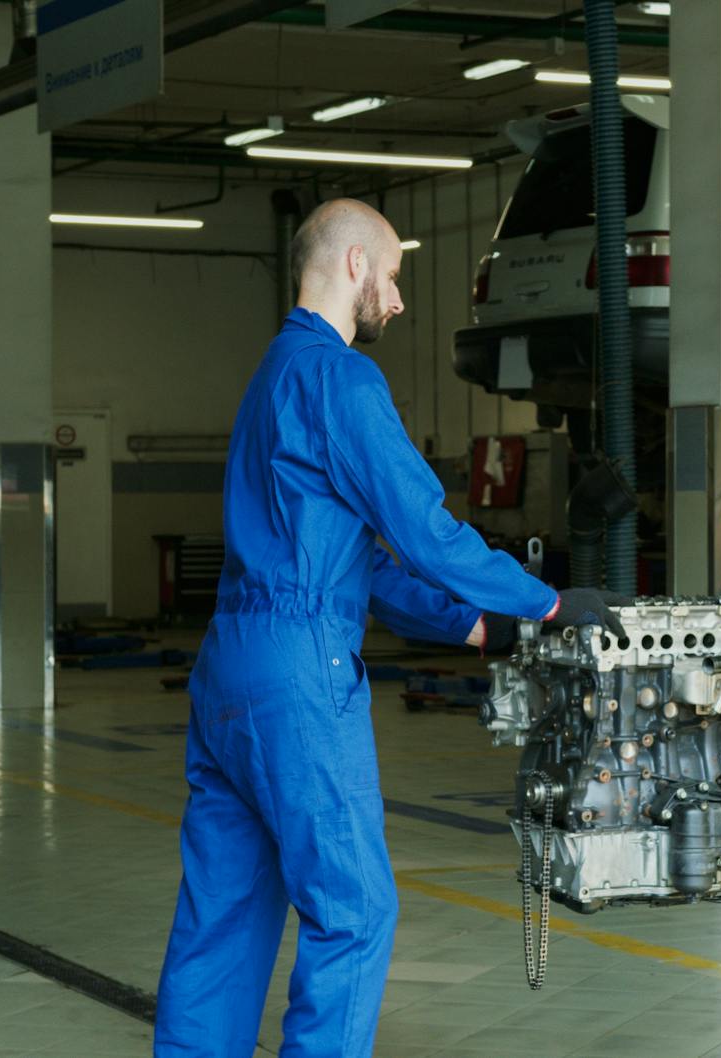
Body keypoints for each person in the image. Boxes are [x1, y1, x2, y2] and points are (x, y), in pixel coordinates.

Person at [152, 198, 625, 1058]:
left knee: (223, 916)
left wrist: (483, 630)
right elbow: (423, 531)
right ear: (356, 265)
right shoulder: (341, 379)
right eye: (397, 277)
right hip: (300, 670)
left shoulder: (268, 381)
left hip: (230, 669)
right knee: (354, 910)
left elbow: (360, 566)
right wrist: (546, 603)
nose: (399, 302)